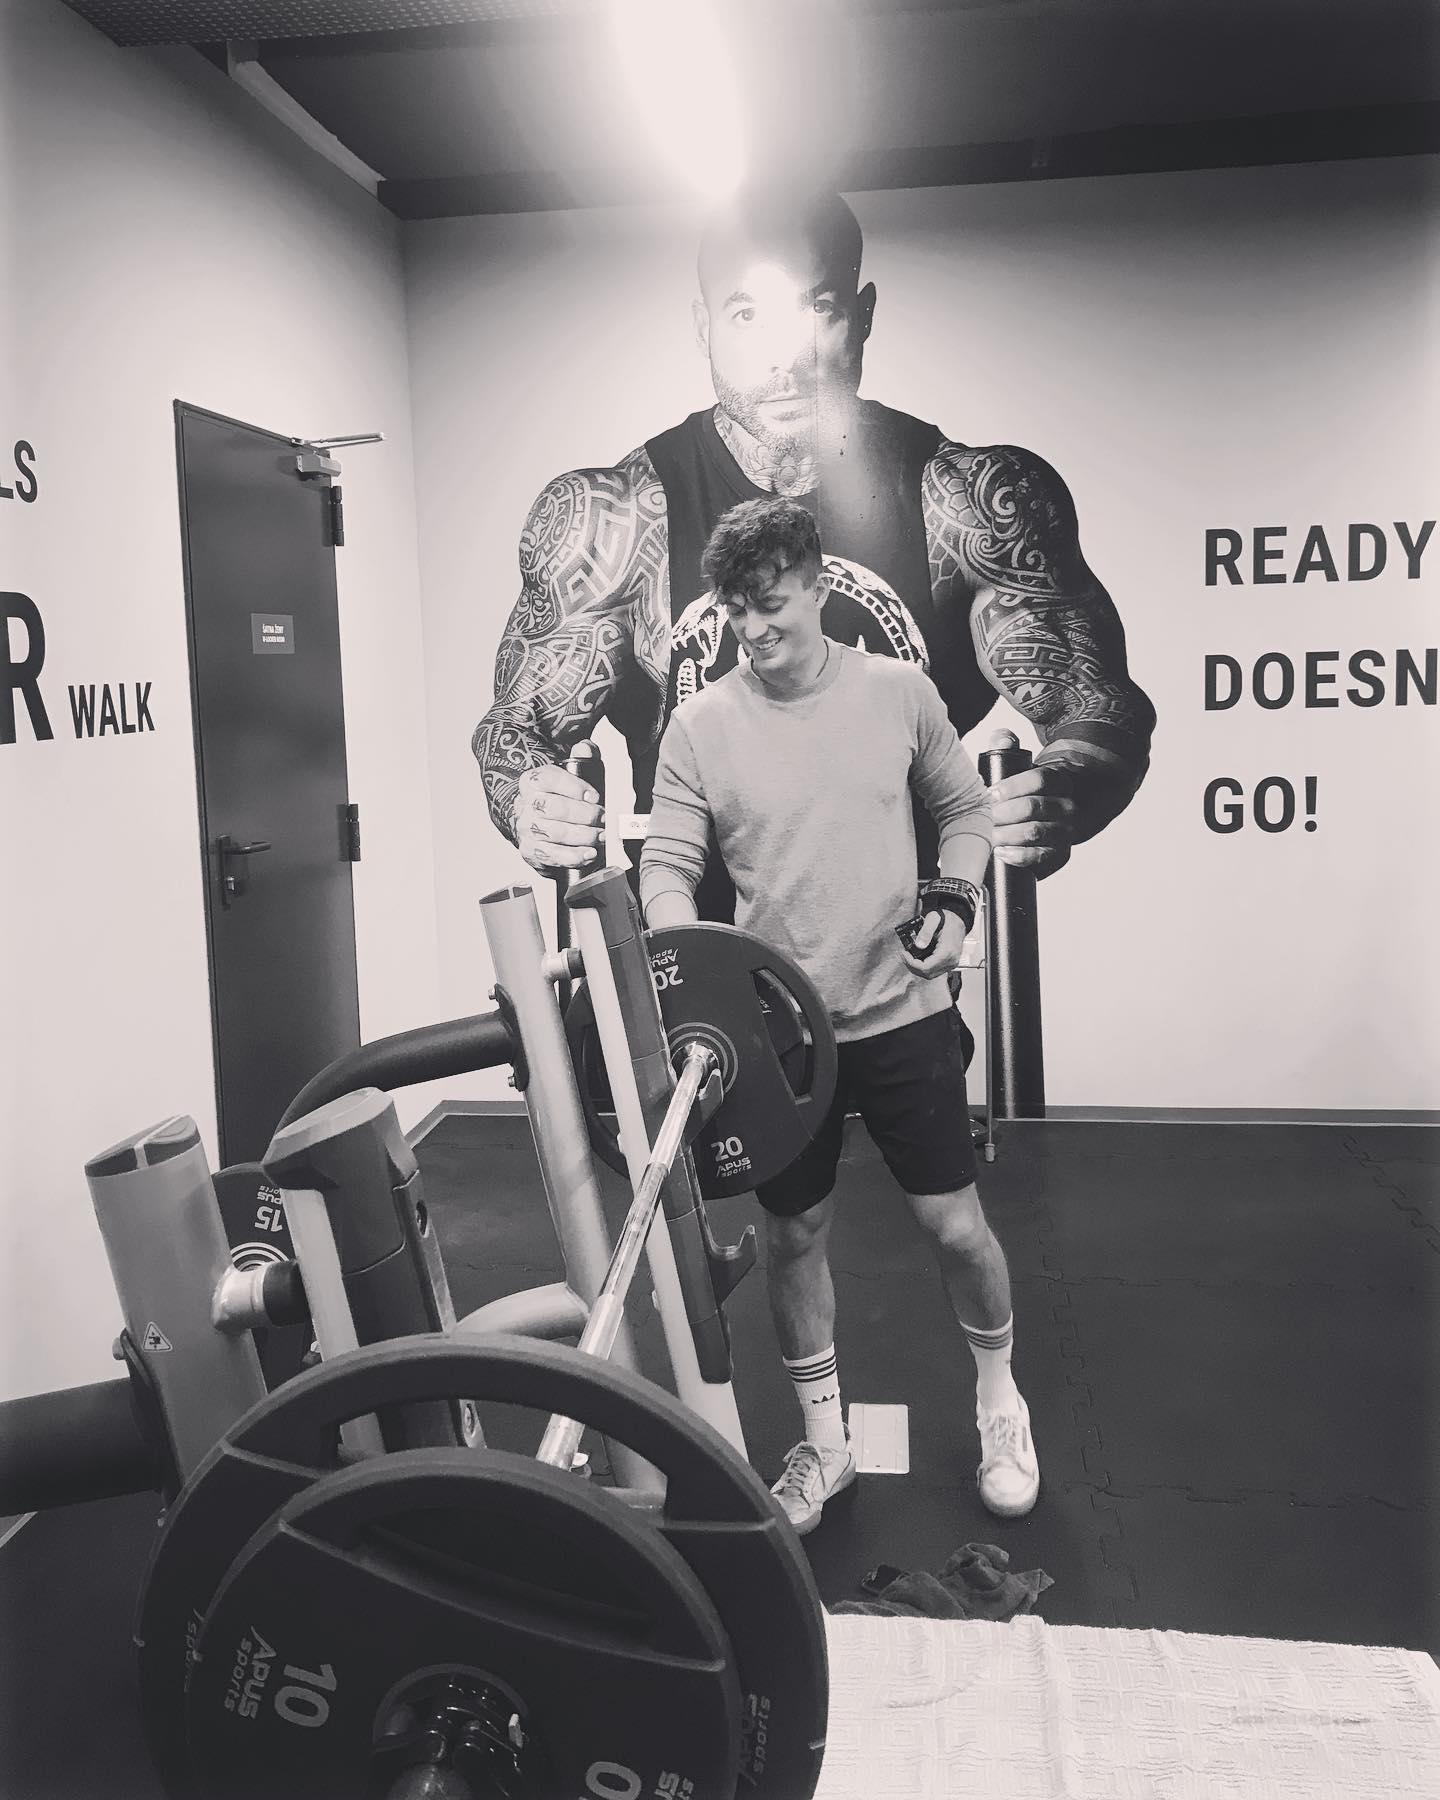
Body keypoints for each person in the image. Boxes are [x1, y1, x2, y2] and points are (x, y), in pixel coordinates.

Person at [474, 185, 1155, 916]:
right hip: (695, 959)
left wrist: (1064, 786)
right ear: (704, 327)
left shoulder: (970, 504)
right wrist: (531, 799)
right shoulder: (616, 520)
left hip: (904, 951)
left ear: (863, 315)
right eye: (747, 315)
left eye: (817, 309)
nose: (786, 358)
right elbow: (514, 726)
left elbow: (1097, 703)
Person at [639, 495, 1039, 1533]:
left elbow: (963, 812)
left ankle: (1001, 1401)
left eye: (771, 605)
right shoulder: (700, 725)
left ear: (817, 586)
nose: (753, 629)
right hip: (777, 1031)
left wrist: (954, 901)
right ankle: (825, 1441)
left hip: (901, 1006)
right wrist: (687, 961)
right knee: (796, 1232)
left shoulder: (898, 693)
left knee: (954, 1226)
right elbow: (668, 866)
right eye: (736, 610)